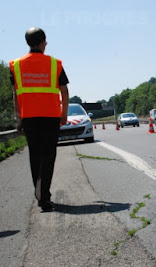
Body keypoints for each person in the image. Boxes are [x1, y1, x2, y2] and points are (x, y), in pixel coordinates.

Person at [9, 27, 69, 212]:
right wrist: (64, 113)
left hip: (29, 118)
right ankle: (44, 195)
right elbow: (64, 91)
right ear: (43, 42)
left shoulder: (16, 65)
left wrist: (18, 118)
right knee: (48, 156)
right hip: (50, 117)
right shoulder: (55, 64)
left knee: (34, 155)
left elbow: (15, 94)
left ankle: (40, 192)